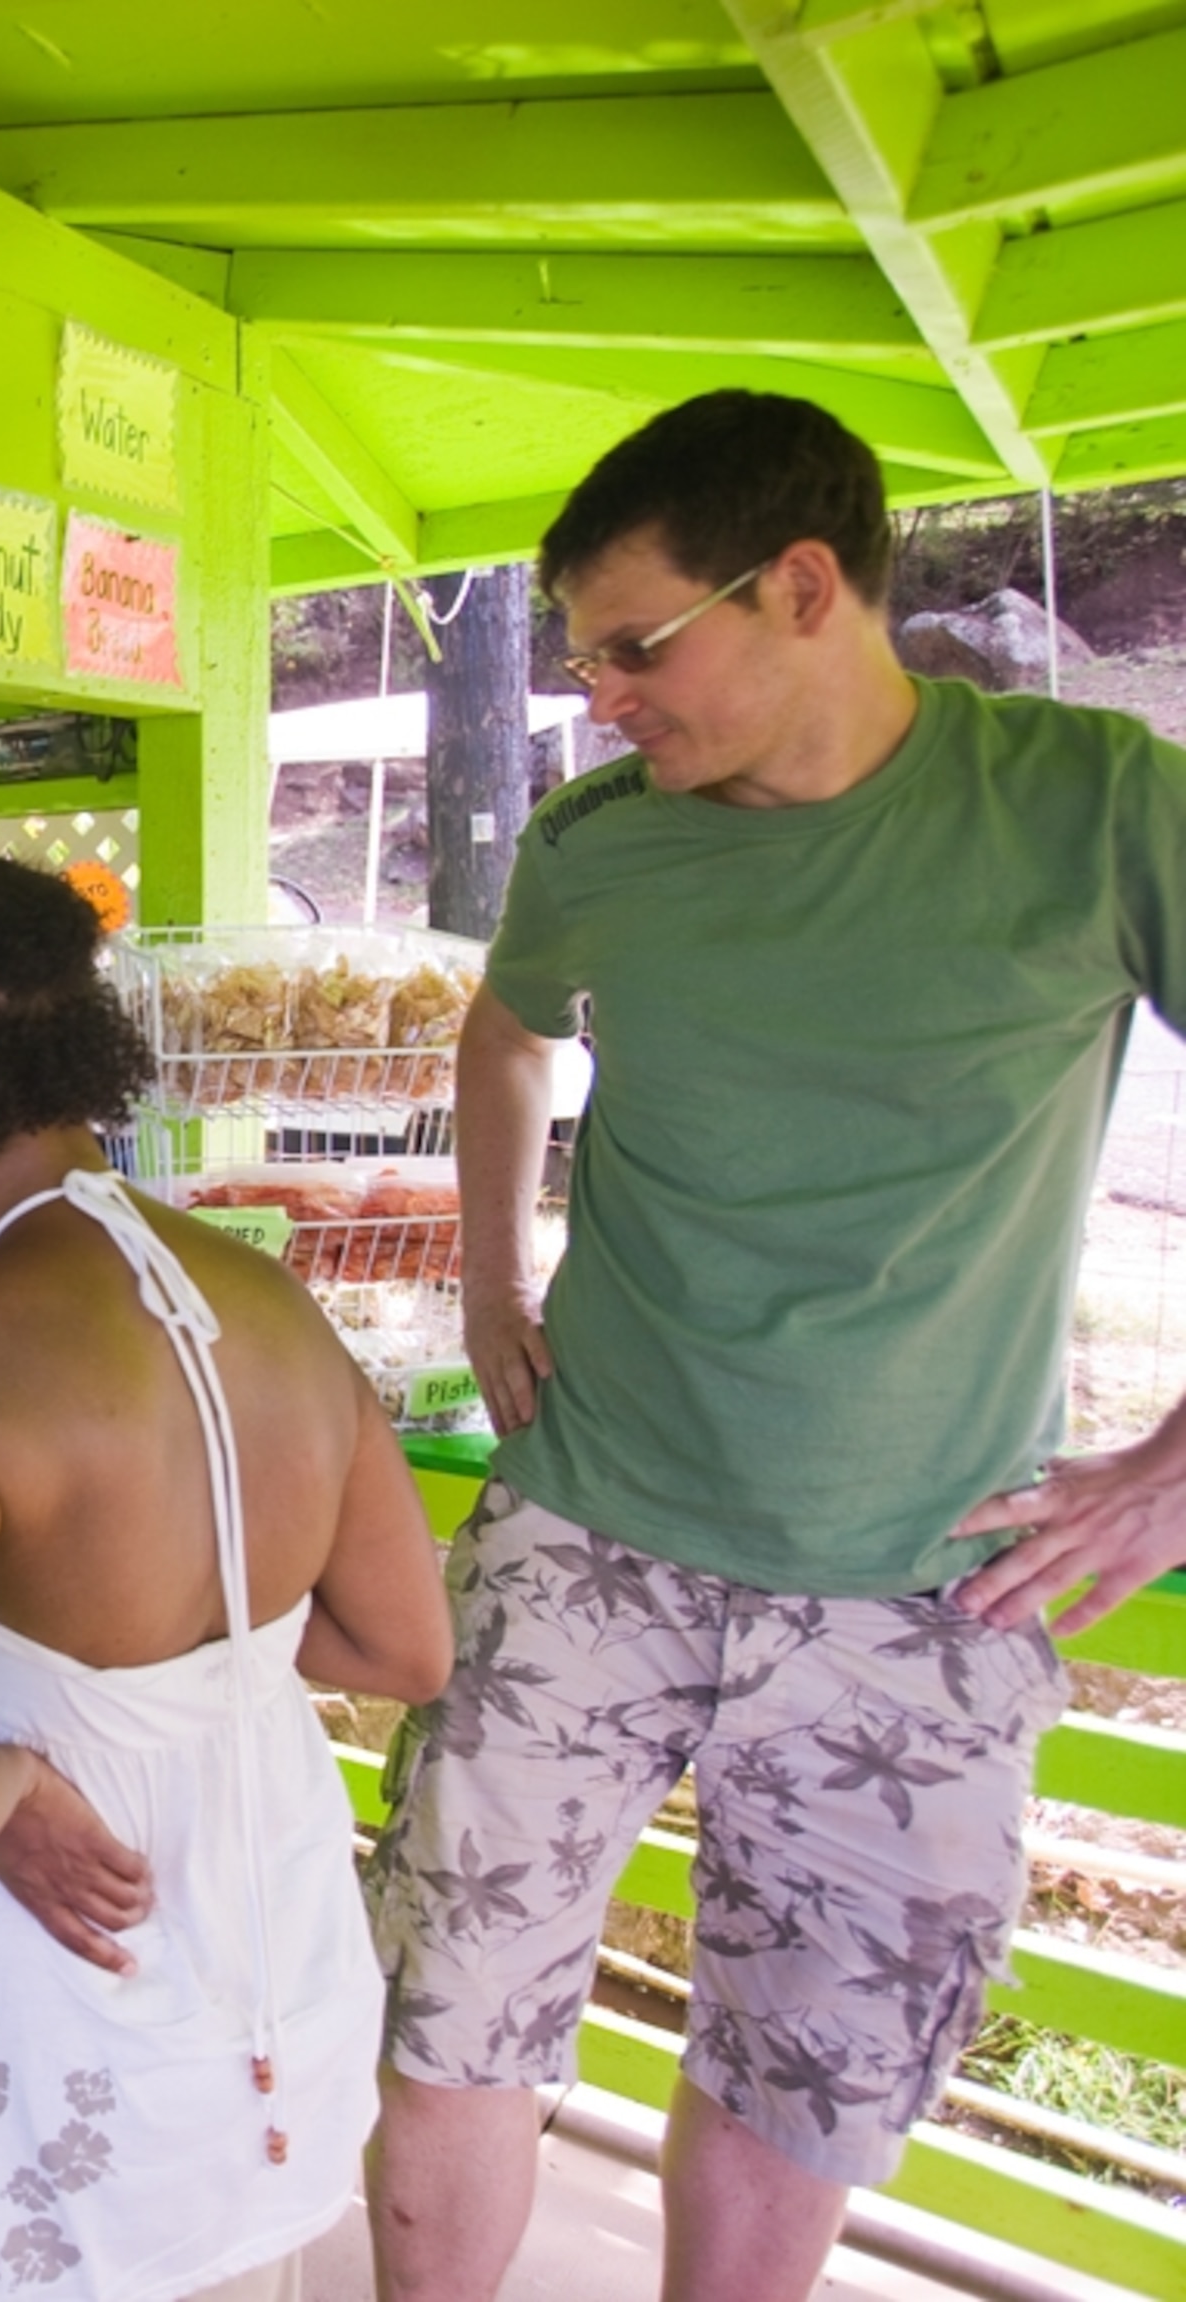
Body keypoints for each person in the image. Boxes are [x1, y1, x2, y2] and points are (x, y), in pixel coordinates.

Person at [365, 392, 1186, 2302]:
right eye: (574, 658)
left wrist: (1169, 1465)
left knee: (798, 2088)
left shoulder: (1091, 806)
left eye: (635, 648)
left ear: (802, 588)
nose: (597, 703)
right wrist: (490, 1281)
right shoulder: (597, 844)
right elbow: (507, 1032)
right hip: (588, 1524)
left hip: (922, 1585)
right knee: (450, 2017)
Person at [0, 850, 453, 2302]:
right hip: (278, 2006)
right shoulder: (272, 1302)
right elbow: (408, 1645)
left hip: (63, 2074)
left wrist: (19, 1782)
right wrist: (204, 1655)